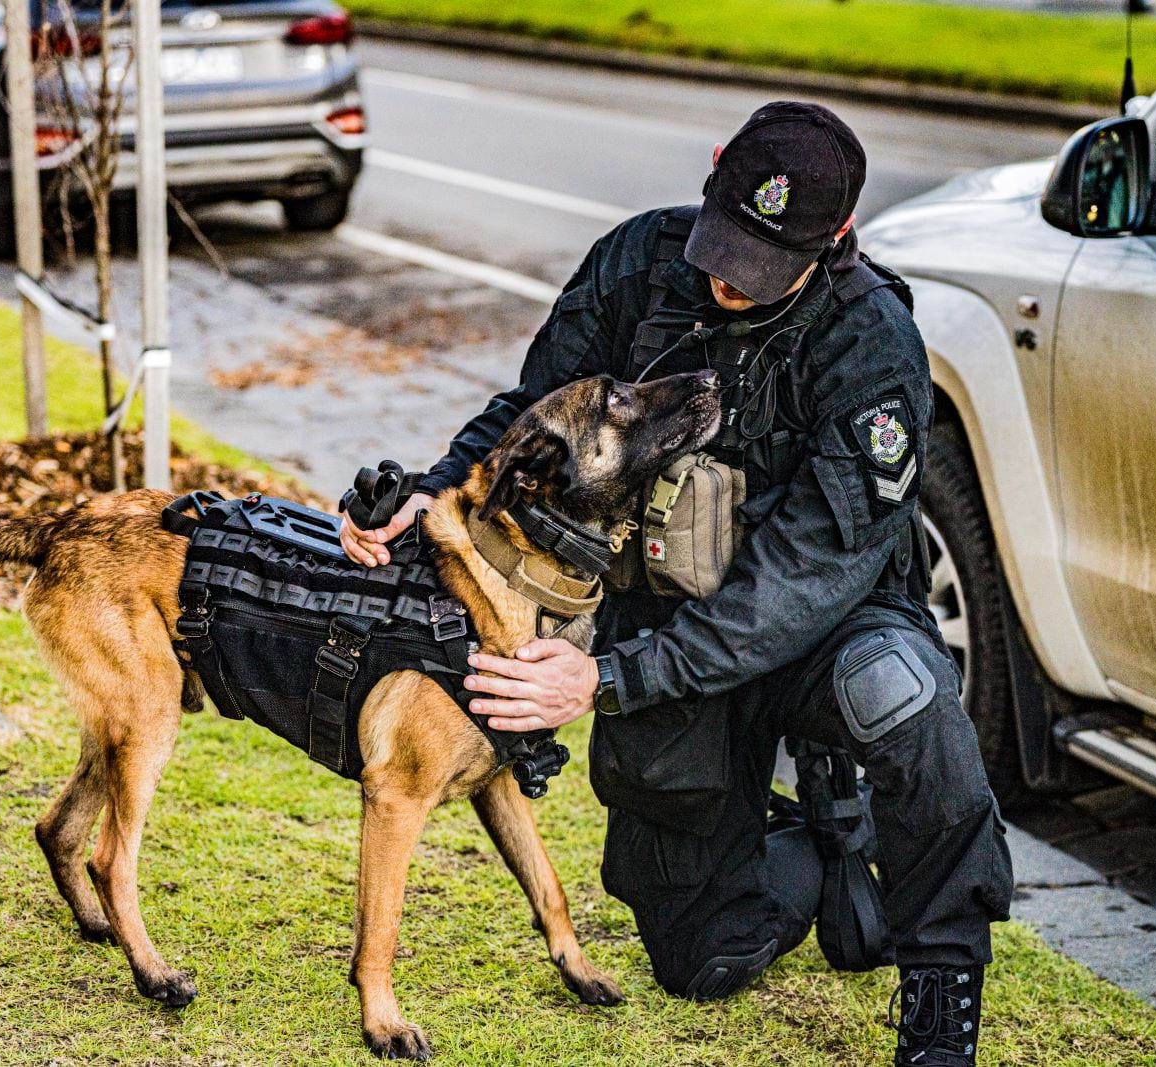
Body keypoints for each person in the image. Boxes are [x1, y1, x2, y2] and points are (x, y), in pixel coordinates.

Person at [341, 101, 1013, 1067]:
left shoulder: (872, 346)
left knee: (904, 698)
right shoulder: (637, 263)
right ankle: (820, 840)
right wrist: (434, 489)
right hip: (665, 617)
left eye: (763, 267)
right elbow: (533, 420)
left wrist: (608, 681)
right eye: (724, 245)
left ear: (838, 241)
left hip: (823, 631)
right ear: (710, 175)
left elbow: (807, 575)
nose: (729, 284)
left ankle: (943, 985)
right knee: (701, 957)